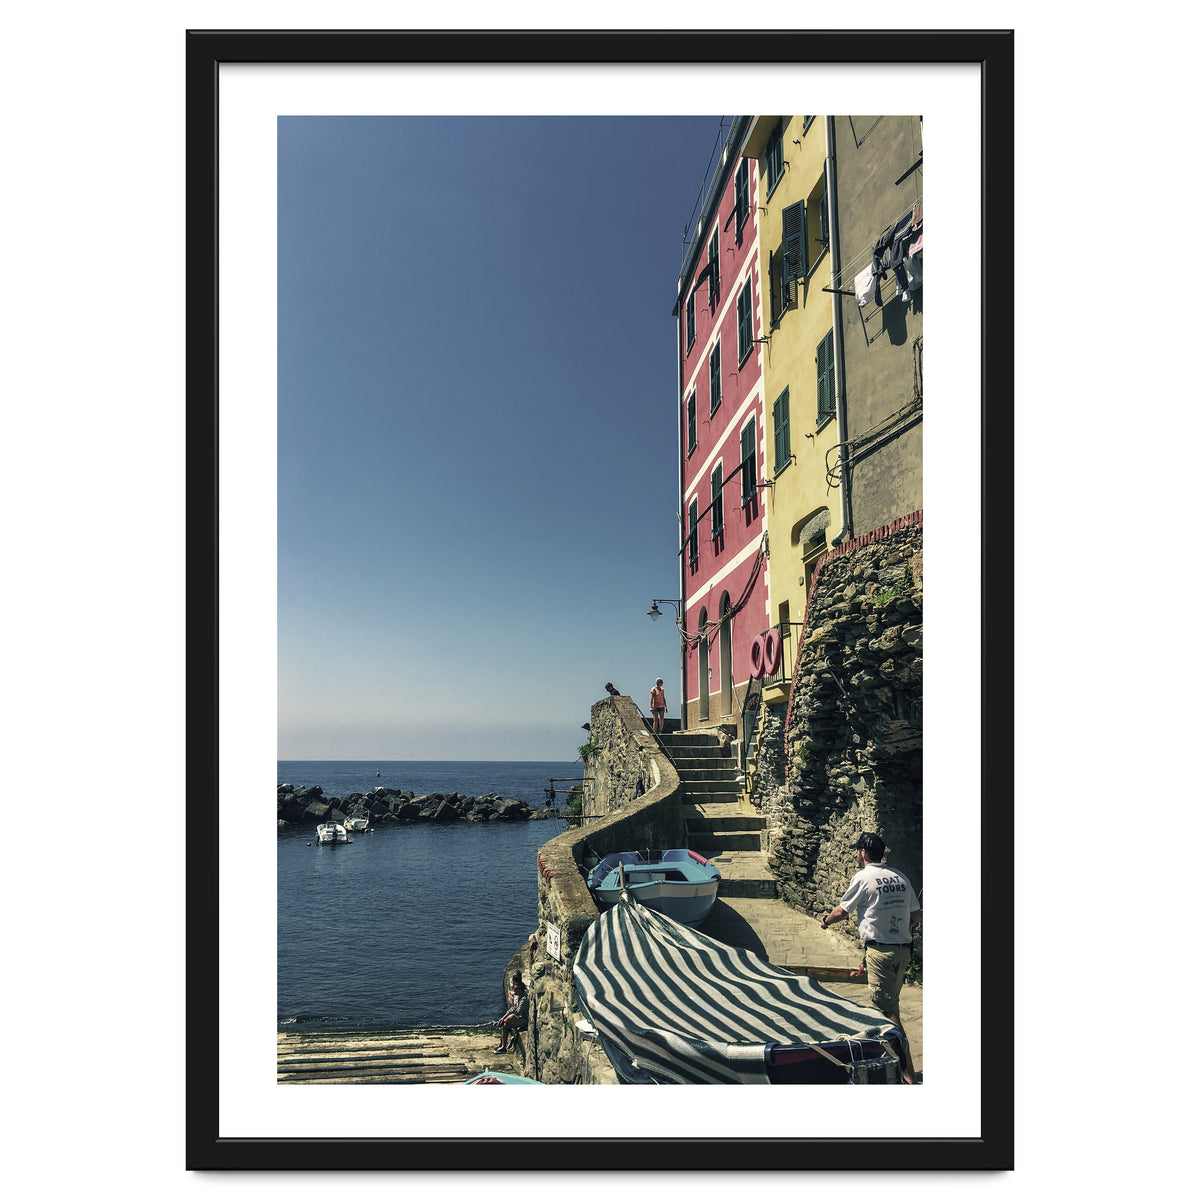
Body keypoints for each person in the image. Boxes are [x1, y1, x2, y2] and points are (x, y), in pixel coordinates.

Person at [819, 832, 921, 1083]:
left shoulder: (864, 877)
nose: (856, 854)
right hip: (902, 950)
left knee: (887, 1013)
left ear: (863, 852)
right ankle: (896, 1067)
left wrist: (825, 921)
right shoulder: (900, 876)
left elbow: (842, 911)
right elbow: (916, 915)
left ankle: (907, 1075)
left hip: (881, 951)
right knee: (891, 1004)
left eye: (857, 850)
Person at [493, 975, 529, 1053]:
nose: (514, 991)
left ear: (520, 990)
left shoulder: (524, 999)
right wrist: (503, 1018)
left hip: (525, 1020)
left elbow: (518, 1011)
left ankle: (501, 1026)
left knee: (511, 1017)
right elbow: (513, 1009)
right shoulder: (518, 996)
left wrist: (512, 1004)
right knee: (506, 1025)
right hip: (519, 1019)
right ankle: (503, 1047)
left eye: (515, 989)